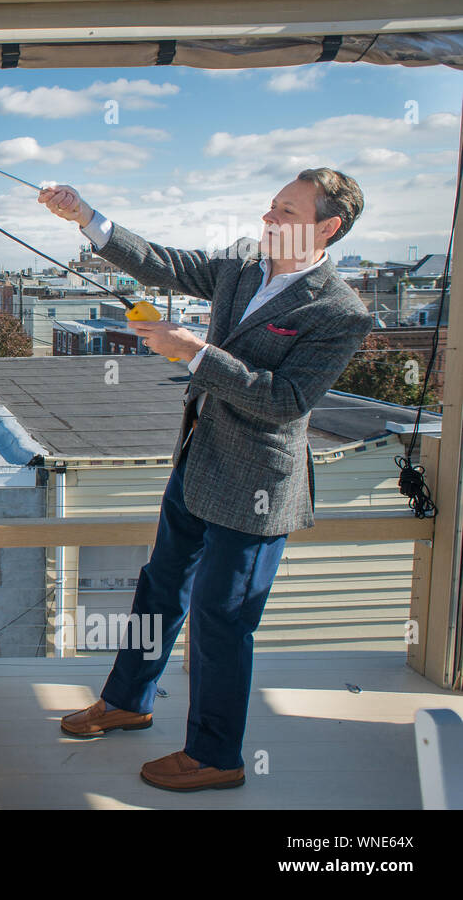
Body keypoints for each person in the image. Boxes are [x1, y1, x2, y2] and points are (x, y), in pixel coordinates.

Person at [39, 169, 374, 791]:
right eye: (272, 206)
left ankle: (217, 756)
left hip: (257, 483)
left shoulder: (339, 312)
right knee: (161, 586)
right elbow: (163, 263)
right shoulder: (243, 266)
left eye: (286, 211)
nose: (268, 218)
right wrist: (86, 215)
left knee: (222, 620)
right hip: (199, 457)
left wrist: (193, 352)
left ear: (327, 226)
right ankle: (128, 700)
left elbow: (287, 400)